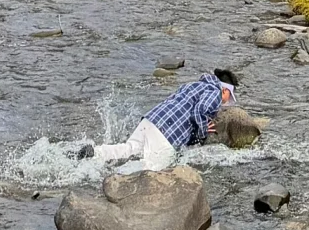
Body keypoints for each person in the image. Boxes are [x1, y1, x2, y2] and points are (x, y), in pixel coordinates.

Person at [85, 67, 241, 173]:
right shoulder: (215, 91)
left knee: (129, 148)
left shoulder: (193, 85)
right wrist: (203, 131)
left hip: (151, 120)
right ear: (225, 89)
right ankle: (115, 178)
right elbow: (199, 111)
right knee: (152, 170)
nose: (226, 102)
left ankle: (95, 153)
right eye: (229, 97)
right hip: (167, 133)